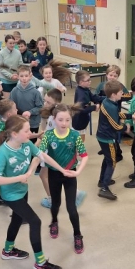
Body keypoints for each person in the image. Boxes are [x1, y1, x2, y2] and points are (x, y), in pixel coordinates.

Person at [0, 115, 69, 269]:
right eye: (26, 131)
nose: (30, 133)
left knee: (17, 219)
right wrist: (20, 177)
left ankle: (8, 250)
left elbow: (42, 156)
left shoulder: (26, 144)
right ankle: (40, 263)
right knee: (35, 221)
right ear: (14, 134)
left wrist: (62, 170)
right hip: (11, 195)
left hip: (22, 190)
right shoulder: (4, 152)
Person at [38, 104, 88, 253]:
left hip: (70, 175)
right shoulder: (48, 135)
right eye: (60, 120)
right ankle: (54, 221)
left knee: (71, 208)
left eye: (67, 120)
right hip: (54, 174)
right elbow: (40, 153)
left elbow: (84, 155)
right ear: (53, 119)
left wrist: (77, 172)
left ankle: (77, 235)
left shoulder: (74, 135)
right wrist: (28, 172)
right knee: (55, 204)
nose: (64, 123)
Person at [36, 89, 86, 209]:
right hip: (56, 151)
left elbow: (48, 135)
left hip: (52, 152)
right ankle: (73, 193)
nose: (45, 104)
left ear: (56, 102)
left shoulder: (55, 118)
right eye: (44, 101)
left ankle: (52, 199)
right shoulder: (58, 115)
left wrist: (36, 143)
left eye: (48, 102)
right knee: (59, 174)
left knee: (45, 175)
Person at [95, 80, 126, 201]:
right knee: (112, 162)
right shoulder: (111, 106)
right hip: (108, 138)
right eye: (120, 92)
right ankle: (104, 188)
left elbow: (117, 114)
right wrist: (126, 127)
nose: (122, 93)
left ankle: (102, 180)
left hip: (101, 136)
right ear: (113, 94)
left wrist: (129, 116)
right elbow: (116, 127)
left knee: (107, 159)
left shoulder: (107, 101)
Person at [95, 65, 131, 162]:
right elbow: (96, 96)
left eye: (115, 76)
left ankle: (118, 154)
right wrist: (97, 103)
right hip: (104, 112)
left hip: (115, 113)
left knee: (113, 133)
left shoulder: (119, 86)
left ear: (118, 77)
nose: (112, 77)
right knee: (103, 130)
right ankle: (105, 148)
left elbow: (128, 95)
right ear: (106, 75)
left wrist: (119, 96)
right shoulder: (101, 85)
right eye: (110, 75)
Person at [10, 65, 43, 138]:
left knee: (32, 141)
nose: (24, 78)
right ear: (18, 77)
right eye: (21, 76)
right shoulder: (14, 91)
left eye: (26, 76)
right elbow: (11, 106)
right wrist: (21, 113)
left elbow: (40, 107)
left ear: (30, 76)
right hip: (18, 122)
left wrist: (30, 112)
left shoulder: (35, 92)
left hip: (33, 123)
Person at [72, 70, 104, 143]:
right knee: (79, 140)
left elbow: (93, 97)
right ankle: (78, 150)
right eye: (88, 80)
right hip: (79, 121)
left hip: (83, 119)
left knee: (82, 138)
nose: (90, 81)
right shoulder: (81, 94)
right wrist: (94, 107)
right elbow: (81, 109)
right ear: (81, 82)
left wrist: (105, 98)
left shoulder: (85, 89)